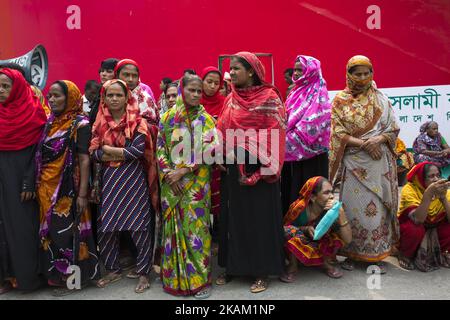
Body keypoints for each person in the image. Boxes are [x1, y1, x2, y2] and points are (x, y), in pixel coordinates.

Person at [216, 52, 286, 293]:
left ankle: (261, 271)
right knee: (234, 218)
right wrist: (220, 154)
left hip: (261, 169)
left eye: (236, 69)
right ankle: (234, 268)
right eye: (230, 69)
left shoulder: (269, 98)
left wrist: (258, 165)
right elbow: (222, 129)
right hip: (234, 168)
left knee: (260, 220)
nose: (231, 73)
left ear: (251, 72)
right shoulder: (230, 98)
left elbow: (275, 135)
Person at [329, 55, 400, 274]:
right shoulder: (340, 100)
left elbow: (393, 127)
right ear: (348, 74)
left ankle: (376, 254)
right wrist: (364, 143)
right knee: (352, 209)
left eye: (366, 73)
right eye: (357, 73)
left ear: (372, 73)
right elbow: (337, 132)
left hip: (379, 162)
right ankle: (351, 253)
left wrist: (378, 140)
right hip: (353, 163)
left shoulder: (380, 99)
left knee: (377, 207)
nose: (362, 77)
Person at [90, 79, 158, 294]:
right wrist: (113, 152)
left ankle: (144, 272)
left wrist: (109, 150)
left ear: (127, 97)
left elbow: (137, 152)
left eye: (119, 95)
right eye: (110, 95)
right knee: (107, 226)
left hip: (133, 178)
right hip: (110, 179)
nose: (114, 99)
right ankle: (112, 269)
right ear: (104, 98)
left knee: (139, 225)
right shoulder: (99, 123)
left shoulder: (138, 122)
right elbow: (95, 153)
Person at [157, 74, 218, 299]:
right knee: (172, 232)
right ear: (182, 90)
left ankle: (198, 281)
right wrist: (168, 175)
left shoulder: (206, 120)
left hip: (196, 186)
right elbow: (161, 148)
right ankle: (174, 278)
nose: (195, 95)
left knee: (196, 230)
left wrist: (183, 170)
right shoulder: (167, 118)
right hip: (171, 185)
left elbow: (211, 151)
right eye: (191, 90)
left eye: (199, 91)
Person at [36, 80, 99, 296]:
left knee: (68, 234)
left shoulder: (80, 124)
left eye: (57, 96)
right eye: (50, 96)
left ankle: (72, 281)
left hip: (68, 190)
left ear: (70, 97)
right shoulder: (50, 122)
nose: (51, 100)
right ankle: (56, 277)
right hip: (46, 188)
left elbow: (84, 160)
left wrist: (82, 194)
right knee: (51, 234)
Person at [0, 68, 47, 294]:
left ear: (17, 88)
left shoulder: (33, 113)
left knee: (22, 229)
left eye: (5, 86)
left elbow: (37, 152)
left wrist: (29, 181)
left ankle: (27, 279)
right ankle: (5, 278)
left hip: (21, 182)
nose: (0, 91)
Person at [281, 55, 331, 215]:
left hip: (312, 157)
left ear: (311, 71)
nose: (295, 73)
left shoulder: (319, 91)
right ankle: (294, 231)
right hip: (293, 156)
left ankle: (316, 233)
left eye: (300, 70)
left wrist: (286, 140)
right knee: (295, 192)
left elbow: (314, 125)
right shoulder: (294, 92)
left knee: (313, 196)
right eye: (295, 70)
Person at [281, 176, 352, 282]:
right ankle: (293, 265)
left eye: (332, 192)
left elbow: (348, 239)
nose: (332, 196)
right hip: (301, 242)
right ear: (313, 197)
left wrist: (341, 213)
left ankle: (325, 263)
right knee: (288, 231)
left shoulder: (332, 209)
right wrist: (305, 229)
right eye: (326, 193)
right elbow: (284, 228)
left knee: (336, 235)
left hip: (321, 242)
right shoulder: (299, 209)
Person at [397, 162, 450, 271]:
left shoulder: (444, 191)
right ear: (420, 178)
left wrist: (443, 199)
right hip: (416, 227)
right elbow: (418, 220)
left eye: (438, 175)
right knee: (415, 230)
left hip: (434, 228)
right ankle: (405, 254)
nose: (436, 179)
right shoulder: (410, 189)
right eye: (431, 176)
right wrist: (428, 195)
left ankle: (442, 253)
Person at [200, 67, 225, 236]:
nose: (213, 86)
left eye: (217, 83)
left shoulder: (225, 102)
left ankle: (217, 234)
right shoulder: (194, 101)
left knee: (218, 195)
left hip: (219, 157)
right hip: (196, 157)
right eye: (209, 82)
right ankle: (201, 231)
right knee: (200, 195)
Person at [114, 59, 159, 127]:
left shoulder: (146, 100)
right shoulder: (109, 96)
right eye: (126, 75)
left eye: (134, 76)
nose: (130, 79)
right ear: (117, 75)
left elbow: (151, 128)